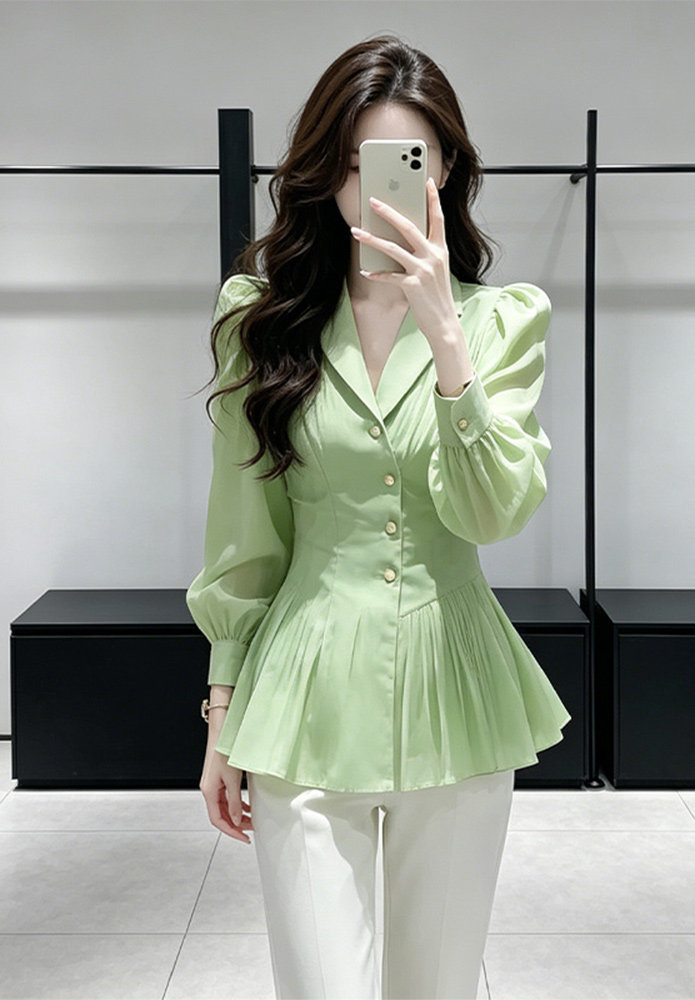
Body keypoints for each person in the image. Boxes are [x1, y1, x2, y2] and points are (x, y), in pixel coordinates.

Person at [186, 33, 571, 1000]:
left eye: (409, 160)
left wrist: (446, 336)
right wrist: (221, 714)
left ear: (446, 170)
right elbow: (245, 535)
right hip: (304, 693)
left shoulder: (502, 320)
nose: (379, 189)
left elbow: (492, 512)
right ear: (325, 173)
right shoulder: (259, 318)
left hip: (457, 692)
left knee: (437, 986)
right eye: (359, 163)